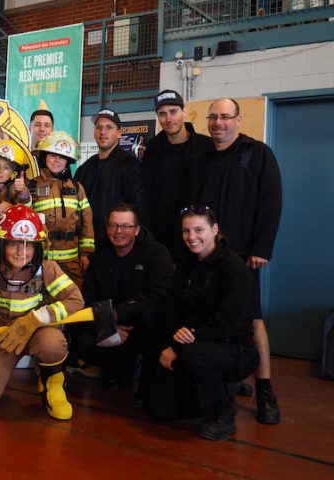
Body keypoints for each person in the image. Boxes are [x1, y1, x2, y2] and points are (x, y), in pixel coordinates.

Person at [0, 204, 84, 420]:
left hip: (37, 332)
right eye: (15, 244)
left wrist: (32, 320)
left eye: (29, 245)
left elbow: (75, 300)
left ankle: (51, 382)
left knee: (52, 343)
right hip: (1, 337)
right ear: (1, 245)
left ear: (38, 247)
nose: (21, 253)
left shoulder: (47, 268)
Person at [197, 98, 283, 425]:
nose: (219, 123)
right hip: (206, 258)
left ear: (238, 119)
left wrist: (262, 247)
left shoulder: (258, 154)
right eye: (214, 117)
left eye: (225, 117)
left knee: (252, 320)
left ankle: (264, 389)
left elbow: (271, 202)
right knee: (213, 316)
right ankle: (228, 379)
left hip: (245, 256)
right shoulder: (202, 158)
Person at [147, 206, 260, 441]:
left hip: (233, 348)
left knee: (195, 355)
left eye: (199, 230)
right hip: (192, 342)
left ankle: (223, 412)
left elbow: (227, 323)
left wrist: (178, 346)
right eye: (186, 231)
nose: (192, 237)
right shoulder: (186, 264)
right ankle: (212, 392)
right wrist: (177, 332)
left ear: (215, 229)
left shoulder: (234, 268)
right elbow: (171, 305)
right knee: (160, 410)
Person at [69, 203, 172, 398]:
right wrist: (108, 324)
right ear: (107, 228)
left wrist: (118, 313)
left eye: (126, 226)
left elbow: (158, 296)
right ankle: (118, 368)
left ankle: (146, 382)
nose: (119, 231)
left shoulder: (156, 254)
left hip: (143, 328)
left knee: (151, 319)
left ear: (136, 230)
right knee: (81, 340)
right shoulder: (100, 256)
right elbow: (88, 298)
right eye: (113, 225)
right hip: (111, 327)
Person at [141, 90, 210, 262]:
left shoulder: (206, 147)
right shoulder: (151, 151)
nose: (169, 119)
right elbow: (147, 197)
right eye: (162, 114)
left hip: (197, 239)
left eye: (173, 111)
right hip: (161, 240)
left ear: (184, 112)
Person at [30, 131, 94, 287]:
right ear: (44, 157)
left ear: (68, 161)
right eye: (52, 155)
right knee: (41, 301)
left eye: (62, 157)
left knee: (74, 297)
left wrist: (85, 254)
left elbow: (87, 222)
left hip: (70, 261)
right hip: (41, 260)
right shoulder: (31, 186)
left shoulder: (77, 188)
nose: (57, 160)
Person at [75, 108, 143, 249]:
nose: (103, 132)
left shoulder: (132, 167)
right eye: (99, 127)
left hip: (119, 248)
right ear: (94, 133)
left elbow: (138, 209)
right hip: (87, 248)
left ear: (119, 133)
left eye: (109, 127)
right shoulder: (84, 169)